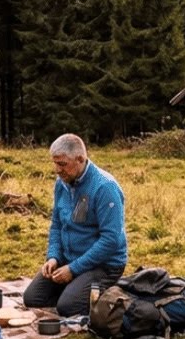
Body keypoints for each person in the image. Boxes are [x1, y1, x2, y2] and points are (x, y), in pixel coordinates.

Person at [23, 133, 128, 317]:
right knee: (32, 298)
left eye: (62, 164)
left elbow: (110, 240)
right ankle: (76, 288)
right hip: (70, 259)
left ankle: (108, 290)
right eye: (55, 163)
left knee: (68, 308)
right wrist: (53, 257)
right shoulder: (62, 183)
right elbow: (57, 224)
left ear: (80, 159)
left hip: (103, 265)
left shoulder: (105, 187)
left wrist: (73, 269)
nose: (57, 170)